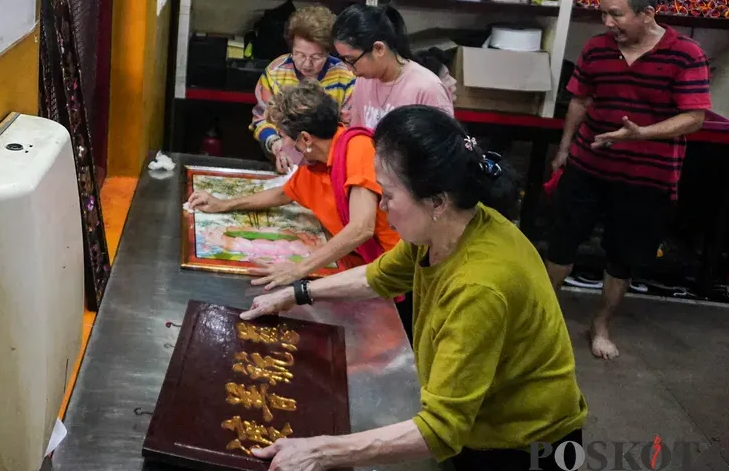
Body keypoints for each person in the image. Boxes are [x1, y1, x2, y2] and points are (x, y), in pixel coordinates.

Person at [243, 106, 587, 471]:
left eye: (388, 195)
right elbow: (379, 276)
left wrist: (320, 451)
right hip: (480, 423)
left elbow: (441, 428)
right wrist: (296, 294)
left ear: (436, 201)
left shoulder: (479, 286)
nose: (381, 207)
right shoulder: (445, 228)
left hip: (526, 446)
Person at [545, 0, 710, 360]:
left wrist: (643, 134)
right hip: (587, 165)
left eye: (616, 15)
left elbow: (694, 117)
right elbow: (580, 102)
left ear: (648, 12)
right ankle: (542, 319)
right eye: (604, 14)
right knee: (560, 245)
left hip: (645, 178)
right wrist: (564, 149)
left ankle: (601, 325)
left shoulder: (685, 53)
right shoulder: (597, 48)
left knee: (622, 258)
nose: (607, 24)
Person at [191, 80, 398, 286]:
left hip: (396, 268)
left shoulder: (357, 148)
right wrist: (224, 204)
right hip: (356, 263)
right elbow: (282, 194)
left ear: (306, 139)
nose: (283, 144)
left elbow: (361, 228)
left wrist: (298, 269)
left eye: (283, 136)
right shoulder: (317, 164)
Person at [252, 6, 355, 173]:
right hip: (283, 161)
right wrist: (275, 144)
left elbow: (349, 126)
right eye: (299, 54)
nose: (307, 64)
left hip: (329, 164)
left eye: (316, 57)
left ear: (329, 52)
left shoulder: (345, 77)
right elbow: (260, 118)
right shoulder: (275, 72)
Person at [332, 4, 452, 129]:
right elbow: (357, 134)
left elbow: (443, 146)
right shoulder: (363, 81)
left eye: (351, 60)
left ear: (378, 49)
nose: (348, 68)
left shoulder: (427, 89)